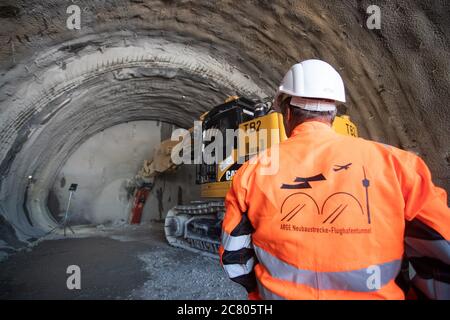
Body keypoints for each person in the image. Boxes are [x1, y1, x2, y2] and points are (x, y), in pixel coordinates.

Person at [219, 59, 450, 300]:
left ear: (287, 113)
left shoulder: (253, 171)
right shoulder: (398, 165)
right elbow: (442, 254)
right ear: (333, 113)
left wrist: (259, 293)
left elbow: (234, 258)